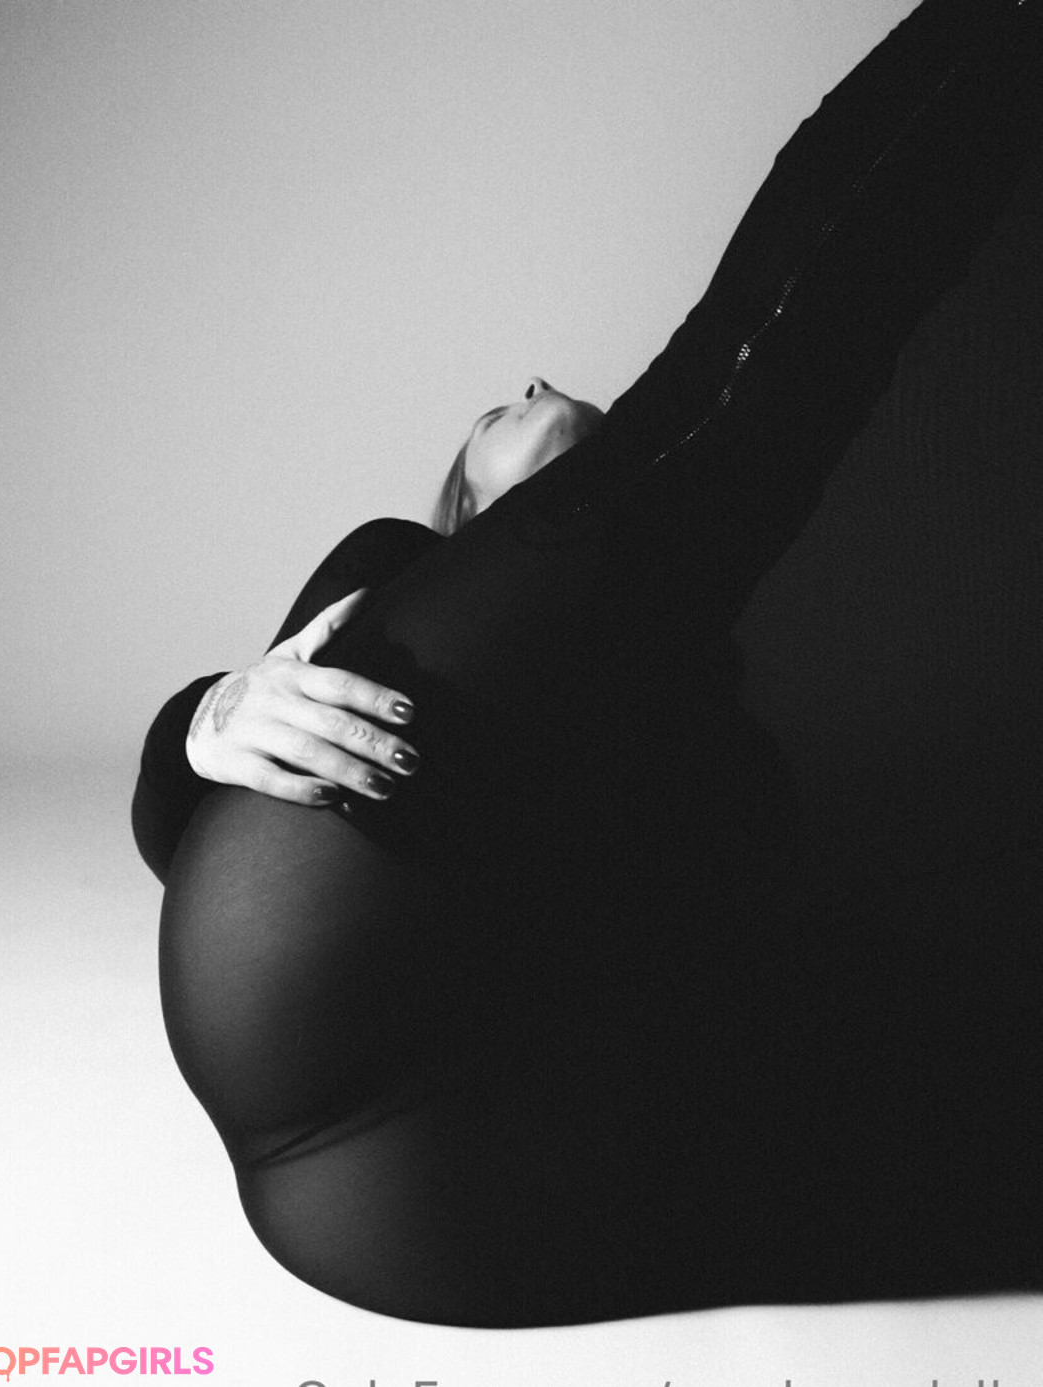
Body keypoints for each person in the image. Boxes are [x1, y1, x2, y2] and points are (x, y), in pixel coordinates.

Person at [133, 0, 1042, 1327]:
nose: (539, 377)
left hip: (479, 1175)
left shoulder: (697, 664)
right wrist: (204, 717)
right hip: (342, 1069)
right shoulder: (399, 567)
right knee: (758, 381)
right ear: (467, 511)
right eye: (495, 411)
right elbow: (178, 827)